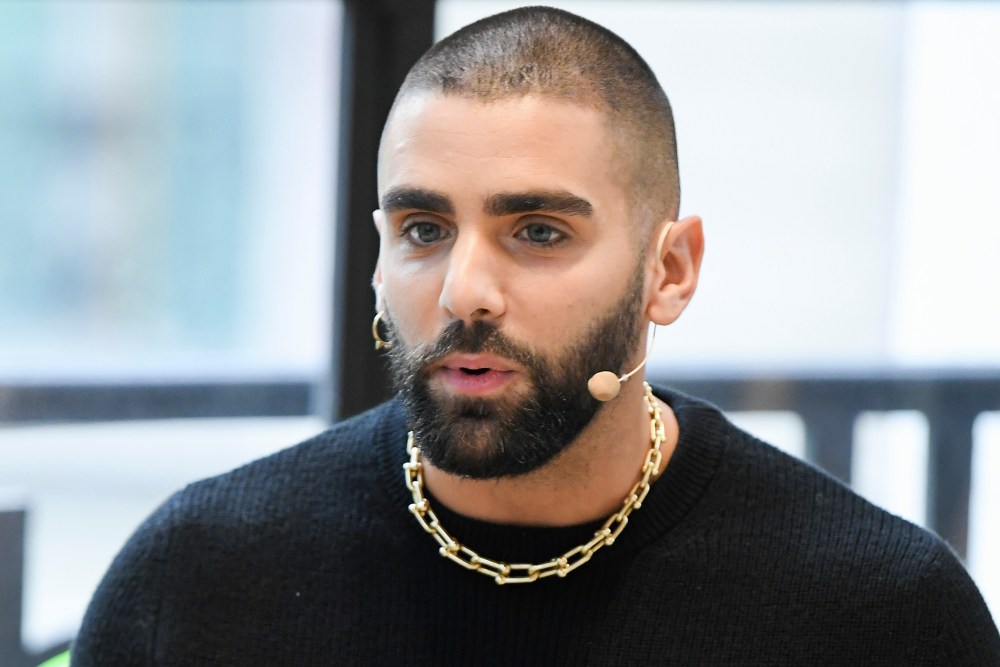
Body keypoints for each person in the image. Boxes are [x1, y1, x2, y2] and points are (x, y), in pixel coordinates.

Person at [73, 7, 998, 665]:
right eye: (424, 231)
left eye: (540, 232)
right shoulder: (197, 576)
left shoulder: (879, 614)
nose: (465, 292)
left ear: (668, 271)